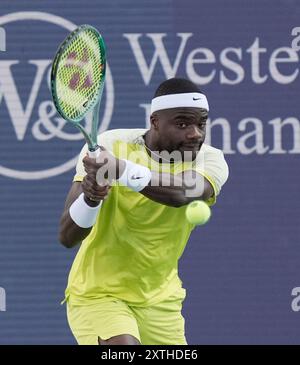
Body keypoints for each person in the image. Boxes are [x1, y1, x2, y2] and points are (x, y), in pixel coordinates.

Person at [59, 77, 229, 345]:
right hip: (98, 294)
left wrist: (121, 171)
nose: (195, 133)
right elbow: (67, 236)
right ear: (155, 122)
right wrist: (91, 198)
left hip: (161, 300)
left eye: (201, 123)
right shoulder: (112, 144)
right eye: (183, 123)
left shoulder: (211, 159)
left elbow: (184, 192)